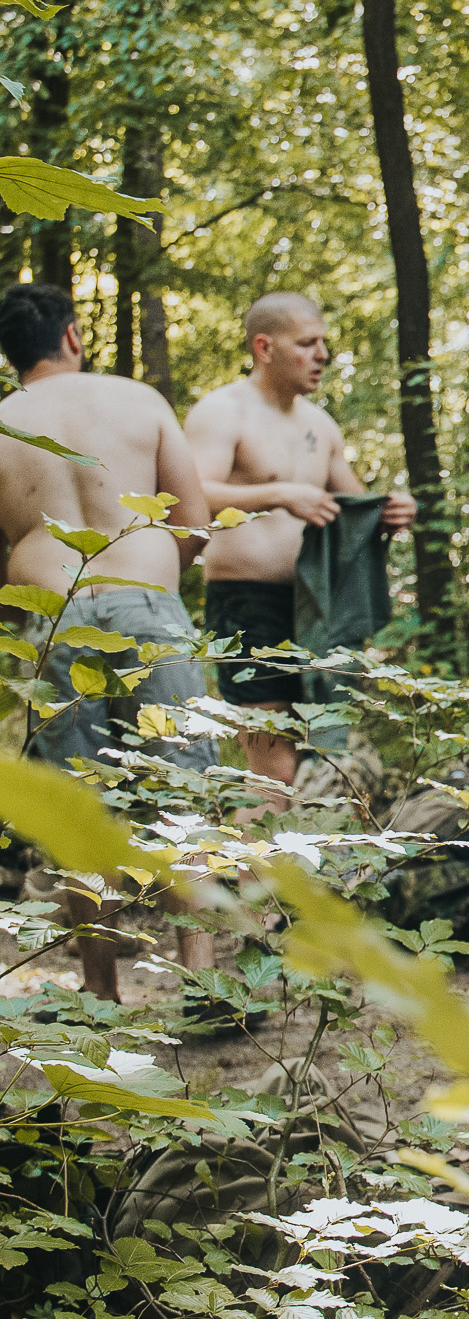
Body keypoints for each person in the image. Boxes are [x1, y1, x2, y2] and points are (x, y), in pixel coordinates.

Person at [0, 282, 219, 1004]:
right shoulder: (138, 400)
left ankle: (100, 995)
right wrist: (148, 583)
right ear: (71, 336)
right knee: (180, 791)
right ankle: (202, 981)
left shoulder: (5, 420)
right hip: (150, 607)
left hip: (54, 617)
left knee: (77, 812)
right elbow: (193, 523)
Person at [184, 293, 414, 812]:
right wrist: (279, 493)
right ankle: (250, 889)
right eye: (307, 343)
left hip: (318, 610)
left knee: (328, 752)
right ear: (264, 347)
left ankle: (291, 882)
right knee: (274, 766)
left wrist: (391, 513)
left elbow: (353, 509)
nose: (323, 354)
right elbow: (191, 494)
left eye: (324, 342)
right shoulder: (223, 412)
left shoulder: (320, 426)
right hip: (246, 603)